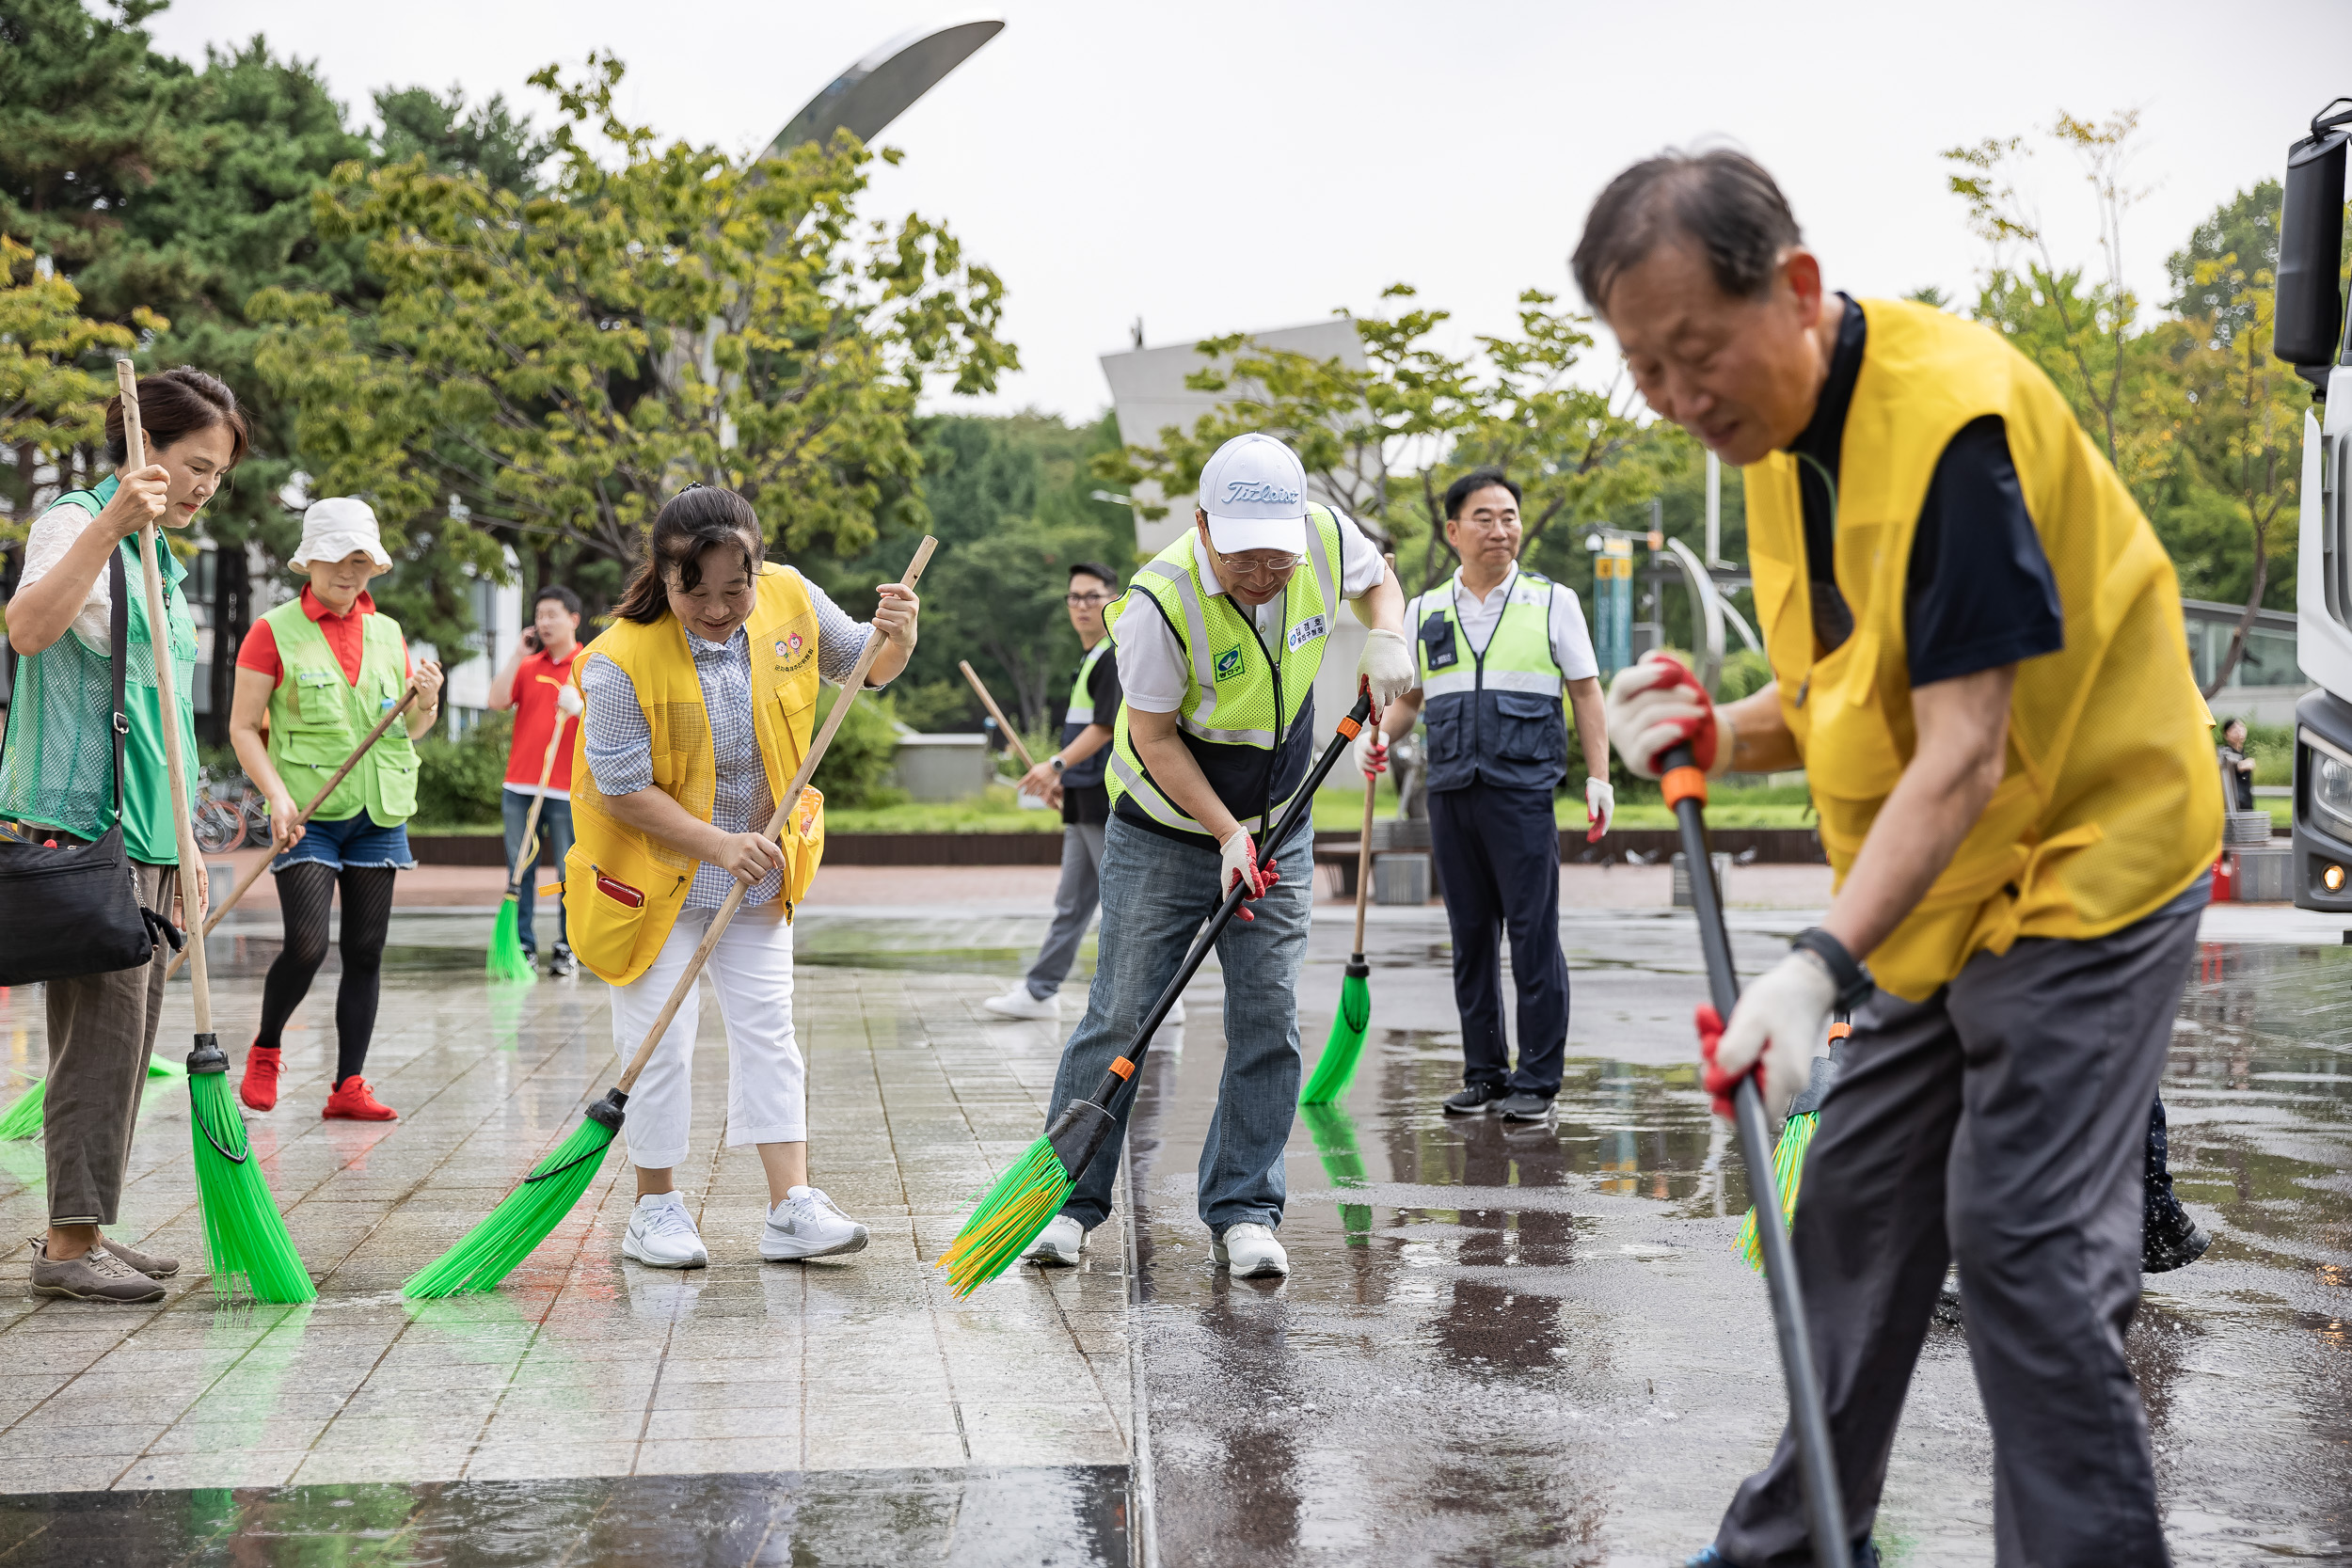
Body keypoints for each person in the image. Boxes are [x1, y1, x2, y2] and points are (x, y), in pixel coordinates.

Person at [1576, 150, 2219, 1565]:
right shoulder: (1776, 443)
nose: (1680, 398)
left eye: (1695, 351)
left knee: (2025, 1244)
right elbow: (1848, 697)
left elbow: (1968, 748)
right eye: (1644, 371)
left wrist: (1813, 966)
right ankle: (1793, 1544)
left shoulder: (1950, 427)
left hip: (2087, 859)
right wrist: (1713, 727)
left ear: (1797, 290)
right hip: (1944, 888)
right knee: (1850, 1212)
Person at [1022, 433, 1413, 1278]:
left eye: (1279, 558)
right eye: (1245, 559)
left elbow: (1379, 578)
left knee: (1266, 1014)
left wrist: (1387, 635)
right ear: (1203, 527)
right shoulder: (1158, 603)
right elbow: (1154, 739)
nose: (1265, 575)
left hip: (1279, 819)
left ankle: (1244, 1206)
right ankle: (1066, 1202)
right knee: (1123, 1011)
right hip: (1165, 823)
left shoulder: (1322, 535)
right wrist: (1223, 832)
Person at [567, 484, 917, 1269]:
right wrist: (718, 844)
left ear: (759, 567)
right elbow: (622, 785)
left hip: (757, 876)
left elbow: (869, 665)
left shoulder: (791, 597)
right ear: (663, 576)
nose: (720, 607)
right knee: (661, 1041)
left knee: (769, 1029)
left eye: (736, 588)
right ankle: (654, 1207)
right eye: (697, 591)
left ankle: (790, 1205)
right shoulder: (618, 658)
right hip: (649, 884)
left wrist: (900, 634)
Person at [1, 368, 246, 1303]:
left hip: (147, 832)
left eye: (216, 476)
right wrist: (110, 524)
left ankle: (86, 1225)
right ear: (145, 449)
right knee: (97, 1042)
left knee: (126, 1037)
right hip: (84, 829)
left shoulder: (165, 556)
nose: (201, 488)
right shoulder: (76, 521)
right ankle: (67, 1248)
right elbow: (26, 629)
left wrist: (186, 843)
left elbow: (166, 718)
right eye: (193, 466)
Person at [1355, 467, 1612, 1121]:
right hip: (1451, 792)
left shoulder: (1554, 602)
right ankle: (1484, 1072)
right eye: (1485, 517)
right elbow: (1409, 699)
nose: (1501, 529)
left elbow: (1585, 690)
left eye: (1510, 517)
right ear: (1452, 530)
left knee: (1532, 935)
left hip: (1523, 790)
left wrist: (1599, 775)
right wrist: (1376, 737)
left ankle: (1538, 1078)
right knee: (1470, 937)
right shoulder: (1425, 609)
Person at [230, 499, 444, 1121]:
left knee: (367, 947)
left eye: (360, 562)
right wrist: (277, 795)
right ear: (311, 560)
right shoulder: (272, 630)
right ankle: (267, 1047)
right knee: (306, 943)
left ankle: (349, 1083)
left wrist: (426, 700)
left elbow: (410, 728)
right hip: (308, 811)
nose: (348, 574)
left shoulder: (389, 632)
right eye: (336, 561)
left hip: (379, 811)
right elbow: (244, 727)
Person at [981, 562, 1149, 1023]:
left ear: (1113, 599)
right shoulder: (1092, 657)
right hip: (1082, 796)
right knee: (1074, 903)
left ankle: (1152, 1002)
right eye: (1074, 597)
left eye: (1092, 596)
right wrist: (1062, 780)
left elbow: (1105, 728)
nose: (1081, 606)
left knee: (1123, 903)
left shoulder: (1115, 654)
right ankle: (1040, 991)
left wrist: (1055, 766)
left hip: (1104, 797)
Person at [488, 584, 588, 975]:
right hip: (520, 788)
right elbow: (496, 700)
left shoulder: (589, 664)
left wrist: (581, 708)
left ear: (573, 619)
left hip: (567, 789)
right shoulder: (529, 666)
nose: (544, 623)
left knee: (569, 872)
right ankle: (523, 946)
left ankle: (568, 947)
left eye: (553, 615)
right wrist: (517, 653)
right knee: (520, 869)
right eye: (540, 615)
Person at [2217, 718, 2257, 812]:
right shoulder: (2223, 752)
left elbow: (2249, 764)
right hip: (2231, 805)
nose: (2239, 730)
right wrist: (2239, 764)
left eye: (2242, 727)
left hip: (2246, 802)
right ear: (2226, 734)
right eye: (2234, 728)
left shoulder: (2244, 753)